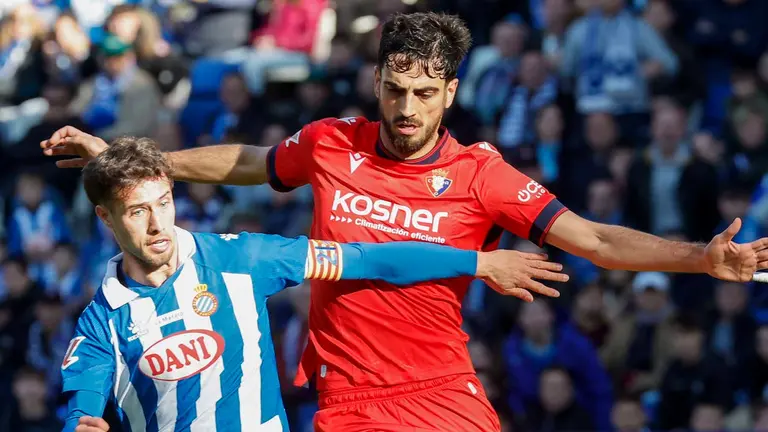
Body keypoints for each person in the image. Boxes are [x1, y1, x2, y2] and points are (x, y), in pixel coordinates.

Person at [43, 12, 768, 432]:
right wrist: (140, 164)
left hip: (443, 391)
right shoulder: (332, 143)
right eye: (394, 89)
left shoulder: (485, 177)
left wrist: (700, 260)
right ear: (377, 81)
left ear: (450, 90)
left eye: (425, 92)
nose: (407, 109)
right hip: (349, 400)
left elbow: (598, 239)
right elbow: (249, 160)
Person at [59, 136, 567, 432]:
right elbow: (82, 407)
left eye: (163, 203)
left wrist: (477, 263)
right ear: (106, 219)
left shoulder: (240, 257)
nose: (156, 225)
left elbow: (370, 259)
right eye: (138, 212)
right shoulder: (102, 322)